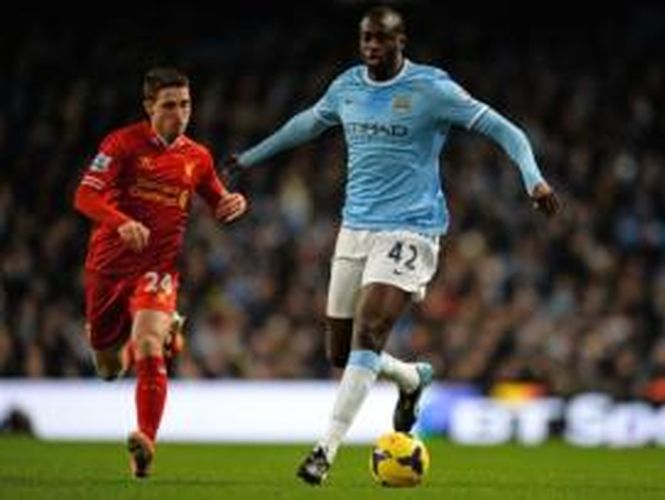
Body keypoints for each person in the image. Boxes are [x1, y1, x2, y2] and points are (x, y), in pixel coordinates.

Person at [227, 5, 559, 485]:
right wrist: (250, 158)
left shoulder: (432, 89)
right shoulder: (347, 86)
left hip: (411, 229)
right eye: (365, 39)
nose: (371, 48)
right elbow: (306, 123)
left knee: (370, 331)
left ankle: (325, 451)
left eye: (380, 40)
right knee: (341, 353)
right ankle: (410, 378)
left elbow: (505, 129)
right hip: (354, 228)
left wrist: (535, 180)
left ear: (401, 41)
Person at [74, 67, 248, 478]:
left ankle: (145, 442)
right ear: (149, 106)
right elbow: (84, 195)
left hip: (157, 270)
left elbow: (217, 199)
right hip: (107, 268)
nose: (179, 113)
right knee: (109, 368)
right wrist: (120, 221)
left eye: (185, 104)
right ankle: (165, 333)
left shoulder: (197, 157)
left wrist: (231, 204)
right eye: (169, 105)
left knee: (149, 343)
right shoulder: (121, 144)